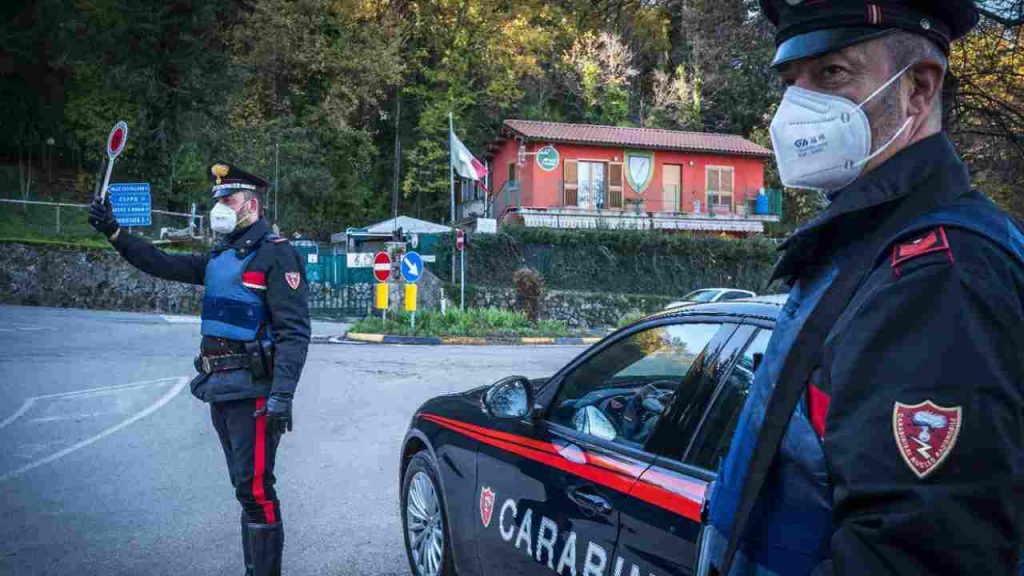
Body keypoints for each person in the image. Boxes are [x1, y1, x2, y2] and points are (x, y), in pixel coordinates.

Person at [703, 1, 1024, 575]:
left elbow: (915, 556)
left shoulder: (939, 276)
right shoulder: (865, 242)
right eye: (791, 82)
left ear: (919, 91)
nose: (796, 110)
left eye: (831, 74)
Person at [88, 162, 310, 576]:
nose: (220, 206)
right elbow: (161, 263)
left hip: (254, 391)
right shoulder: (220, 255)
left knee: (257, 490)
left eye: (229, 199)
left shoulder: (277, 254)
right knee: (245, 490)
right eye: (217, 199)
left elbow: (294, 332)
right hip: (219, 387)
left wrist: (283, 393)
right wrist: (114, 232)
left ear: (252, 204)